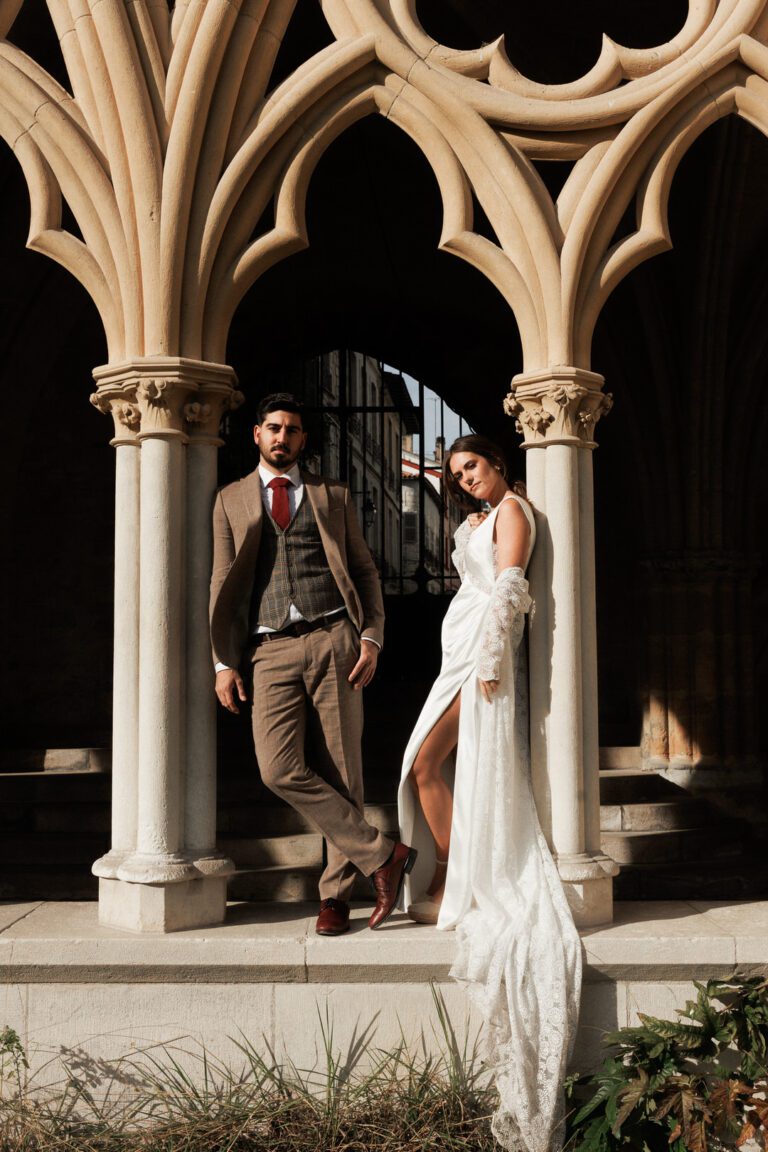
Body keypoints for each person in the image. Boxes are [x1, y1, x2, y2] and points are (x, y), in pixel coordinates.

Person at [397, 434, 581, 1152]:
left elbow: (509, 585)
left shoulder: (514, 511)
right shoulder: (475, 519)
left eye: (472, 467)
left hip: (481, 657)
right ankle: (451, 869)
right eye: (456, 474)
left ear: (499, 463)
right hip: (457, 649)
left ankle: (453, 873)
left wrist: (493, 660)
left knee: (425, 765)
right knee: (429, 766)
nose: (465, 480)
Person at [210, 392, 416, 938]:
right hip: (268, 648)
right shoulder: (229, 498)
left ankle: (334, 898)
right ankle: (385, 855)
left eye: (293, 430)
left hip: (334, 639)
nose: (283, 437)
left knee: (344, 772)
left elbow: (365, 571)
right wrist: (221, 662)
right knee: (277, 768)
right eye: (273, 427)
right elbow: (221, 581)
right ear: (256, 433)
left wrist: (370, 637)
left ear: (303, 440)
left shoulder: (332, 495)